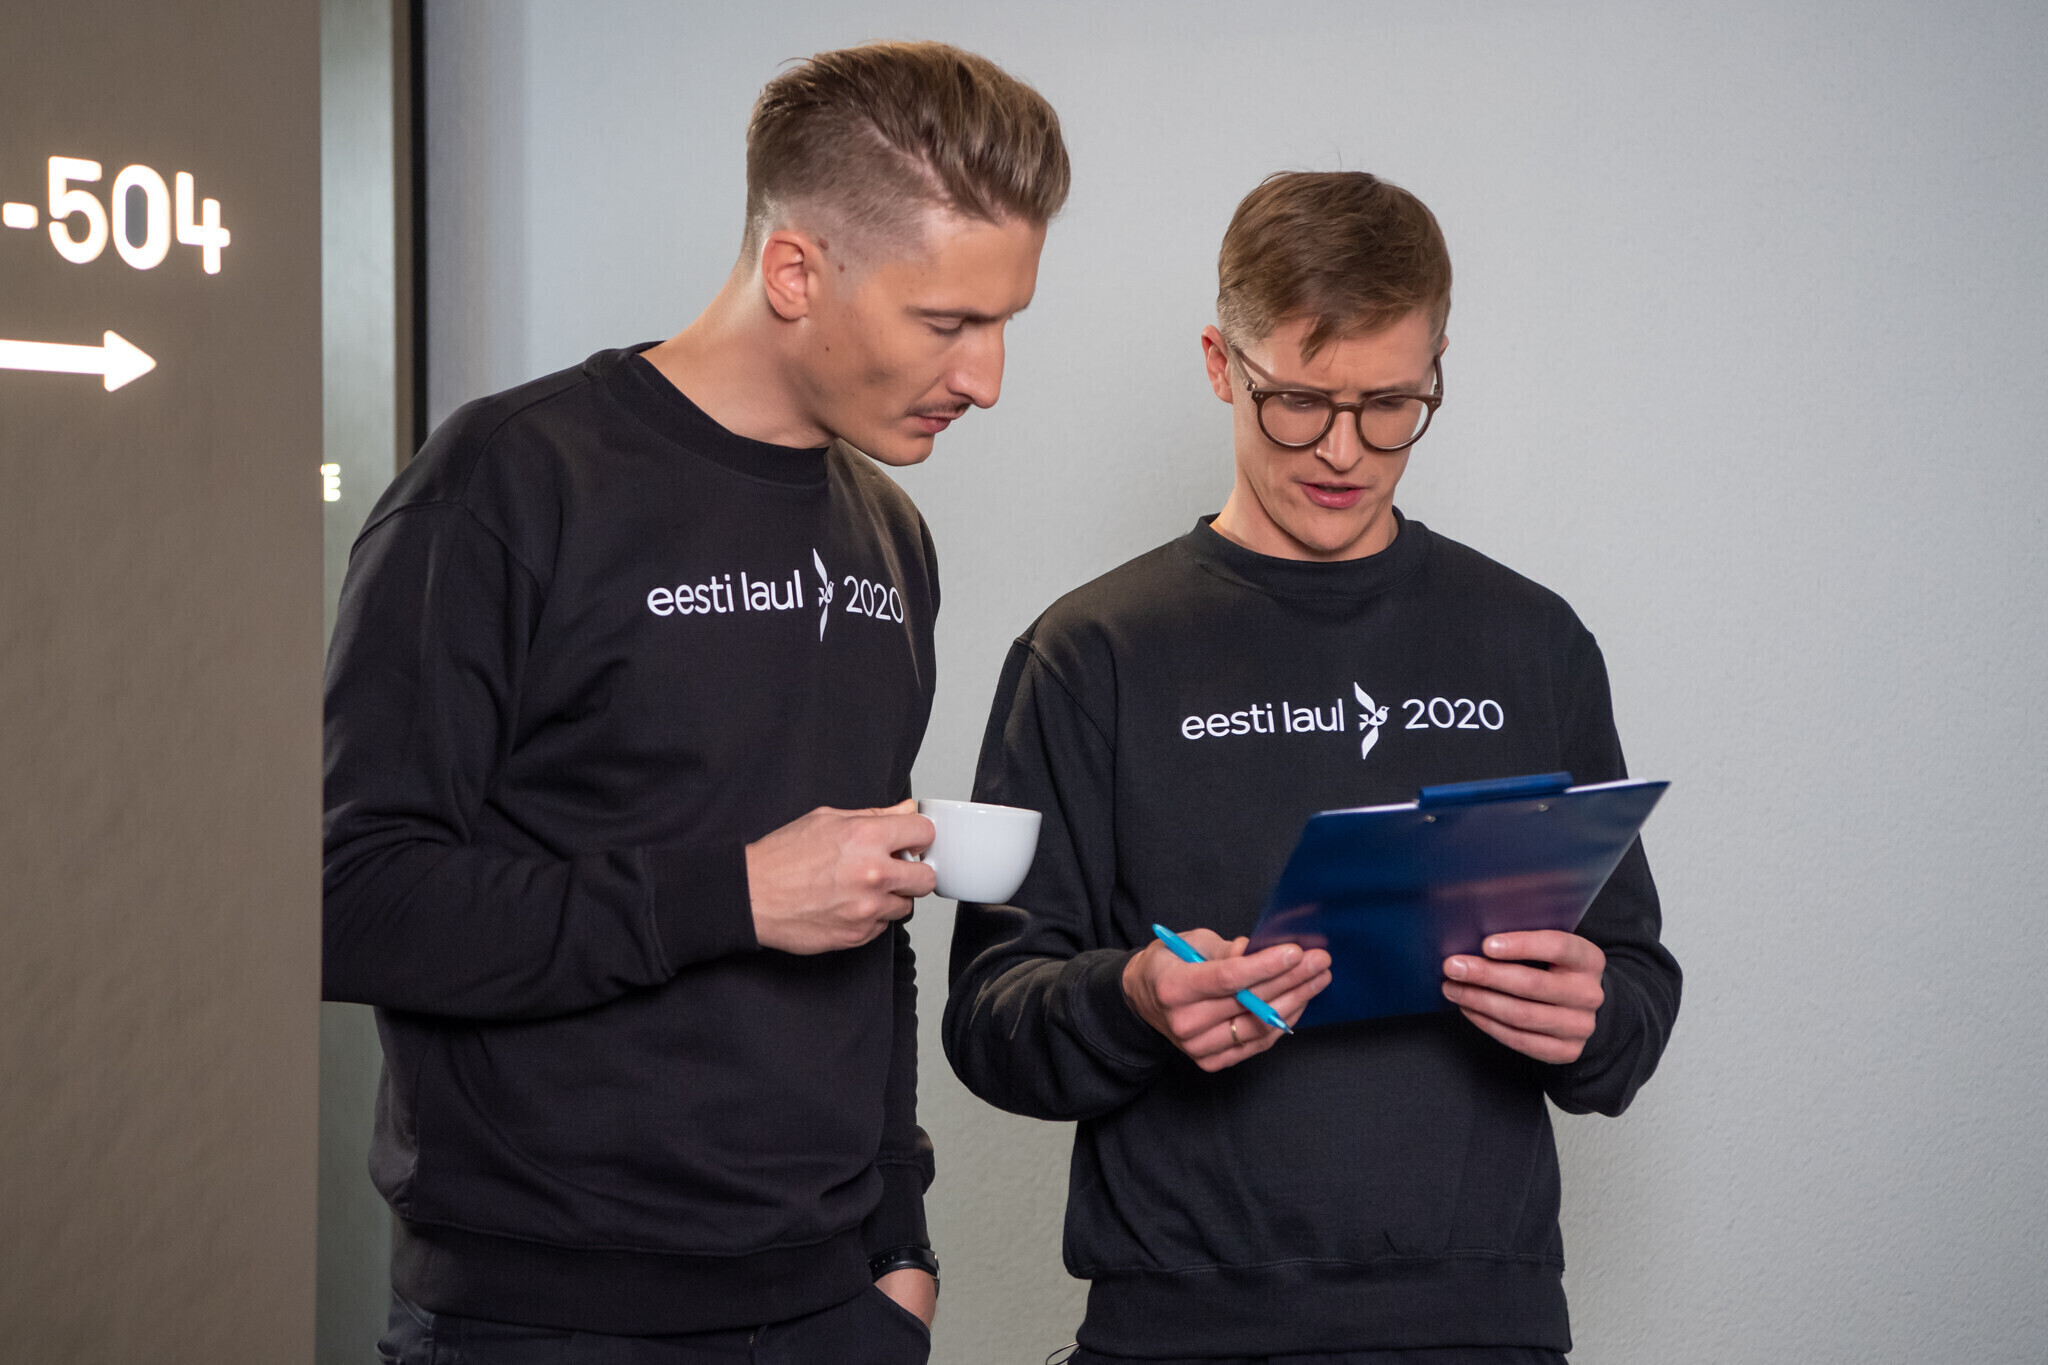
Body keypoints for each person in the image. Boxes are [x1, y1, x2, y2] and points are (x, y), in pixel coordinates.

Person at [323, 41, 1068, 1365]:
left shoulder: (888, 534)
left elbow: (871, 908)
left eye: (1005, 320)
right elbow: (349, 903)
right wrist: (728, 896)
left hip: (833, 1306)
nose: (987, 377)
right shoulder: (509, 480)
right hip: (541, 1318)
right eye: (948, 323)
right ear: (794, 272)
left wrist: (897, 1243)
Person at [943, 171, 1680, 1364]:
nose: (1342, 450)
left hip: (1479, 1328)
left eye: (1390, 405)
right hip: (1182, 1333)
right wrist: (1131, 1002)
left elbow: (1634, 986)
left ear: (1435, 369)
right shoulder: (1089, 654)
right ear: (1219, 364)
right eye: (1296, 401)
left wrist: (1591, 1016)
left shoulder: (1530, 641)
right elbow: (987, 1020)